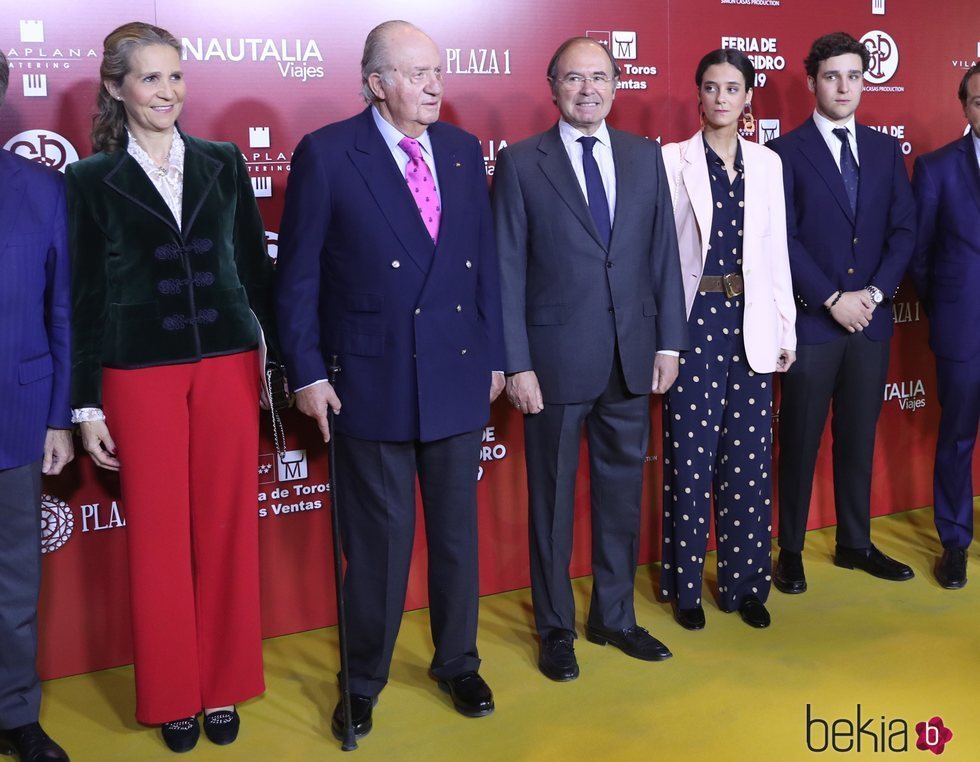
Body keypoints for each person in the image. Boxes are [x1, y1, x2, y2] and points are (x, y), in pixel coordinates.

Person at [274, 20, 505, 742]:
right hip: (368, 379)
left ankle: (457, 661)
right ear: (377, 84)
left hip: (459, 373)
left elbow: (485, 265)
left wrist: (495, 353)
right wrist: (305, 371)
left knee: (457, 539)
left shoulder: (466, 153)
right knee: (376, 546)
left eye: (438, 70)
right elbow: (298, 276)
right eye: (416, 73)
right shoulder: (328, 153)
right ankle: (363, 678)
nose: (435, 84)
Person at [67, 22, 277, 753]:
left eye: (176, 77)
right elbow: (84, 297)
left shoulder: (223, 161)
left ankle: (223, 686)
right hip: (136, 375)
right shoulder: (90, 180)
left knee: (224, 528)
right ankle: (172, 694)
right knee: (157, 539)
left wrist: (280, 362)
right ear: (116, 86)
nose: (167, 92)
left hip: (226, 363)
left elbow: (256, 269)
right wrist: (85, 401)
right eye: (151, 79)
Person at [492, 37, 687, 682]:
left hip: (631, 359)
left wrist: (668, 341)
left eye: (599, 77)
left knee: (621, 497)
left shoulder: (642, 156)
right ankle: (555, 629)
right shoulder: (521, 163)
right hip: (552, 365)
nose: (587, 90)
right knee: (548, 506)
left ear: (614, 85)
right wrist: (515, 363)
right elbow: (507, 268)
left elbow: (662, 255)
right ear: (553, 88)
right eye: (574, 79)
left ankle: (613, 616)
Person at [767, 32, 916, 594]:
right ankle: (792, 550)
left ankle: (855, 542)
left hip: (870, 323)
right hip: (813, 324)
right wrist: (831, 298)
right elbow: (785, 237)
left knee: (858, 438)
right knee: (800, 441)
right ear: (812, 82)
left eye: (854, 76)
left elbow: (903, 231)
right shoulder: (784, 152)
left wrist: (874, 295)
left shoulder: (883, 150)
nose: (844, 86)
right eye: (833, 76)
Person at [659, 49, 796, 631]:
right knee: (690, 463)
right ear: (699, 94)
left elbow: (778, 255)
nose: (721, 98)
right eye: (711, 87)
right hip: (694, 325)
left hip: (753, 325)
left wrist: (786, 325)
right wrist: (663, 337)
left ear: (747, 99)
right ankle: (687, 587)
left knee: (748, 463)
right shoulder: (671, 161)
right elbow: (662, 260)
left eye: (732, 88)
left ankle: (744, 585)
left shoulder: (768, 164)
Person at [0, 50, 73, 762]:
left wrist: (59, 416)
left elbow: (62, 312)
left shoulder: (42, 191)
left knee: (15, 581)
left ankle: (16, 710)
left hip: (16, 416)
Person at [909, 63, 980, 589]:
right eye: (979, 101)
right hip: (964, 329)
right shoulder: (935, 169)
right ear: (964, 106)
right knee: (957, 437)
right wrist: (949, 308)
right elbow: (922, 255)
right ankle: (954, 542)